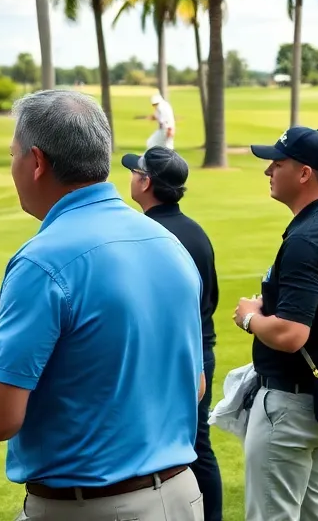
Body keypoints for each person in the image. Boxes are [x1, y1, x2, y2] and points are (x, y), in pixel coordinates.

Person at [0, 89, 206, 521]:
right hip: (181, 495)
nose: (12, 166)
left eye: (13, 155)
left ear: (36, 162)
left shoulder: (41, 260)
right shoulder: (169, 244)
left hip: (91, 507)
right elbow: (194, 384)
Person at [235, 127, 318, 521]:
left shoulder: (307, 238)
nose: (268, 172)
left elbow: (292, 334)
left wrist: (250, 318)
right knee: (313, 513)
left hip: (291, 408)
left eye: (277, 164)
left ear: (304, 173)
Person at [124, 147, 222, 521]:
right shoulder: (194, 231)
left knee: (173, 445)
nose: (131, 176)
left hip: (168, 355)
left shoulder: (148, 233)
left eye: (136, 171)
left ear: (146, 182)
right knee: (198, 443)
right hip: (199, 350)